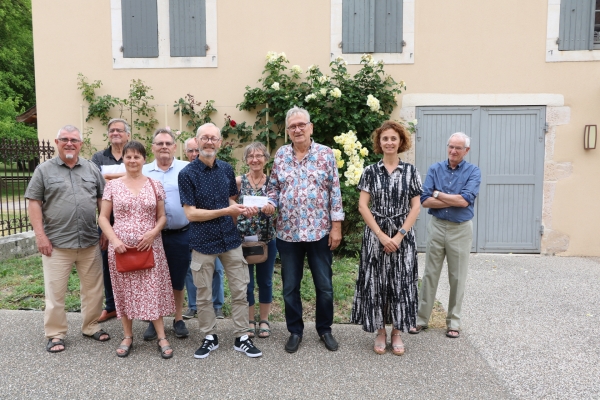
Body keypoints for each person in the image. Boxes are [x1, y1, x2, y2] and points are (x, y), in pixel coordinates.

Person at [262, 106, 344, 353]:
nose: (297, 129)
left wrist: (336, 226)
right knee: (290, 287)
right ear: (288, 131)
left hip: (319, 231)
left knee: (324, 286)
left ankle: (325, 329)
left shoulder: (326, 154)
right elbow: (273, 188)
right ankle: (295, 331)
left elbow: (335, 192)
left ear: (310, 128)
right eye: (292, 126)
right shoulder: (281, 155)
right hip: (288, 232)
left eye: (301, 125)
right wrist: (270, 203)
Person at [179, 123, 263, 359]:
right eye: (204, 138)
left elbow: (229, 201)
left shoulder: (226, 169)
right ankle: (209, 336)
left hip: (230, 239)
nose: (209, 142)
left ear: (219, 142)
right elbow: (191, 213)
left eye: (213, 138)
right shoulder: (187, 174)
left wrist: (240, 210)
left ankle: (241, 337)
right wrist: (226, 211)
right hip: (202, 242)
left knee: (240, 289)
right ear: (196, 141)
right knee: (203, 293)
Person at [25, 125, 110, 353]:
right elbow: (34, 202)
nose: (70, 143)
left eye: (74, 139)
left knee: (93, 290)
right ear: (57, 142)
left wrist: (105, 231)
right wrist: (40, 235)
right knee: (56, 292)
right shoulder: (44, 170)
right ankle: (55, 334)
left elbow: (103, 201)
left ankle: (91, 326)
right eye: (65, 139)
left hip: (90, 241)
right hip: (56, 244)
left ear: (81, 144)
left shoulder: (91, 169)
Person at [98, 141, 176, 359]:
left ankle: (161, 336)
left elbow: (162, 216)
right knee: (124, 291)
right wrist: (114, 240)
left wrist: (153, 233)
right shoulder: (112, 186)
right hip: (121, 248)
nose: (132, 160)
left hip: (150, 246)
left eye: (137, 156)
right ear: (123, 159)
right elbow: (103, 218)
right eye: (128, 156)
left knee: (152, 290)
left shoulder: (154, 184)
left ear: (144, 159)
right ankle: (127, 336)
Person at [350, 121, 422, 356]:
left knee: (401, 283)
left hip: (403, 236)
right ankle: (380, 331)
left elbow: (416, 207)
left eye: (393, 138)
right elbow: (362, 206)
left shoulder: (411, 171)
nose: (389, 142)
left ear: (401, 141)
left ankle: (397, 332)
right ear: (379, 143)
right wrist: (381, 236)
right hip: (376, 236)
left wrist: (399, 236)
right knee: (377, 283)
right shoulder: (370, 171)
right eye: (385, 139)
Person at [409, 132, 481, 339]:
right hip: (437, 226)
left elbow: (465, 201)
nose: (453, 151)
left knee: (457, 277)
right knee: (430, 274)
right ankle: (421, 319)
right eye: (451, 146)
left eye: (458, 148)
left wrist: (438, 194)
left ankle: (454, 322)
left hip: (460, 229)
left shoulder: (473, 171)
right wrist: (452, 198)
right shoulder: (435, 169)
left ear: (466, 151)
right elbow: (424, 200)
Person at [140, 129, 191, 341]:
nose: (164, 146)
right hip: (152, 236)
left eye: (168, 143)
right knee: (153, 279)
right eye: (159, 143)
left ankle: (178, 318)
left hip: (181, 234)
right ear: (152, 147)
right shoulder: (143, 171)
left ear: (174, 147)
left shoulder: (186, 169)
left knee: (178, 279)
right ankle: (155, 319)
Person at [236, 142, 277, 339]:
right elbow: (230, 207)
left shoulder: (272, 183)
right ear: (245, 160)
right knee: (247, 283)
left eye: (259, 155)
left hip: (267, 239)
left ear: (265, 159)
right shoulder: (238, 182)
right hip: (244, 241)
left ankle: (264, 320)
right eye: (250, 156)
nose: (255, 159)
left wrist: (272, 210)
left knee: (266, 281)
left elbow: (280, 208)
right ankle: (250, 320)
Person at [91, 118, 130, 323]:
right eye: (112, 130)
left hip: (131, 217)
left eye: (120, 130)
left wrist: (111, 181)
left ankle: (132, 304)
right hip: (107, 216)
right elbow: (97, 185)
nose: (115, 133)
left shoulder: (133, 154)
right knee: (107, 263)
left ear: (128, 135)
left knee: (134, 261)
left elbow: (138, 178)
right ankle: (112, 306)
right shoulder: (98, 157)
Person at [182, 138, 226, 320]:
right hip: (186, 229)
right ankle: (193, 306)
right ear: (186, 153)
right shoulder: (185, 172)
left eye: (195, 150)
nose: (194, 154)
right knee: (193, 270)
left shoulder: (217, 170)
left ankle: (217, 306)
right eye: (190, 151)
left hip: (212, 230)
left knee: (216, 269)